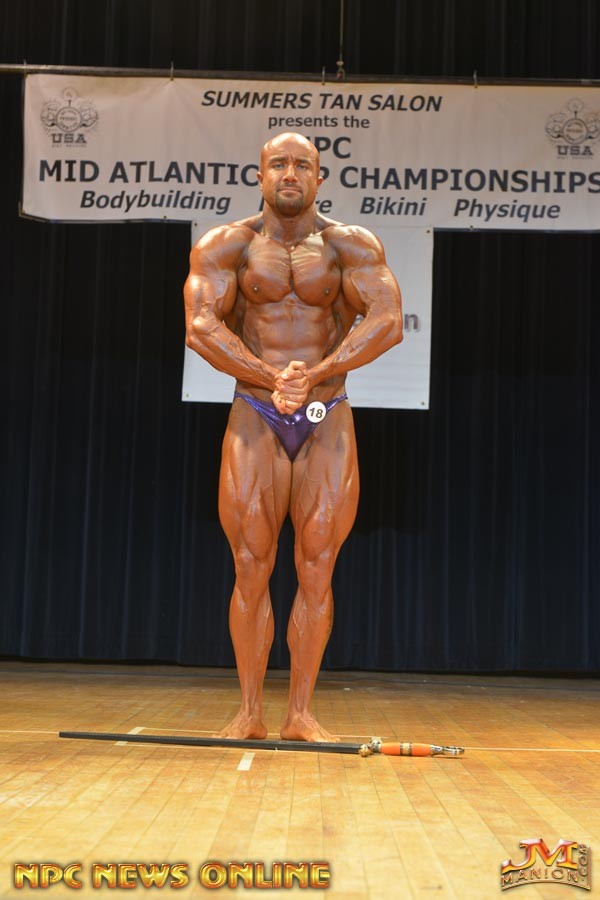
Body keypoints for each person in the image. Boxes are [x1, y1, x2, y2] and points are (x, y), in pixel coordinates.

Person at [184, 132, 403, 742]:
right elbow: (200, 327)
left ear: (319, 177)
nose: (289, 173)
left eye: (302, 165)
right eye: (278, 164)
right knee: (250, 564)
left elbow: (388, 320)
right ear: (259, 175)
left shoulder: (350, 245)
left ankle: (301, 713)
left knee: (317, 565)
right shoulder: (226, 246)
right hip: (256, 411)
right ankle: (249, 712)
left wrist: (317, 373)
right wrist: (270, 377)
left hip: (324, 411)